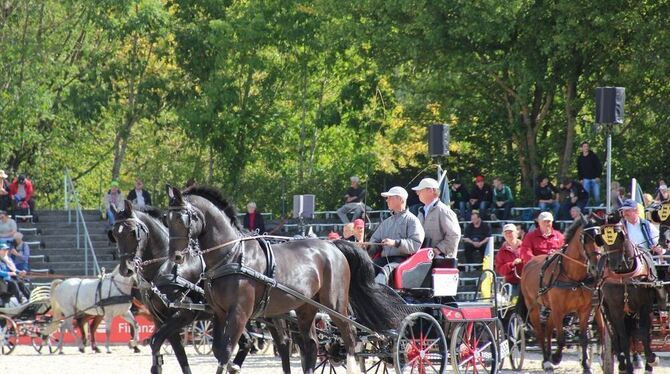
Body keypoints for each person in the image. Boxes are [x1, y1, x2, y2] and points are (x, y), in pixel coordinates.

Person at [367, 186, 424, 285]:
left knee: (383, 272)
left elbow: (415, 243)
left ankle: (377, 296)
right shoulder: (386, 222)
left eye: (390, 197)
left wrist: (395, 243)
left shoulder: (412, 220)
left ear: (401, 199)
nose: (387, 200)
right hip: (384, 259)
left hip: (402, 260)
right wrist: (367, 246)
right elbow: (375, 241)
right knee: (366, 269)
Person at [412, 177, 461, 258]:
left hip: (440, 260)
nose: (417, 193)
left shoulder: (444, 211)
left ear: (430, 191)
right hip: (424, 258)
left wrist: (438, 250)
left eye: (420, 190)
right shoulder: (421, 211)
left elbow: (454, 235)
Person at [494, 224, 523, 295]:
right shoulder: (501, 252)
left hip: (526, 281)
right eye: (506, 233)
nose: (508, 235)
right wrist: (511, 264)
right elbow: (500, 270)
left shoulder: (525, 246)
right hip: (511, 284)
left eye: (510, 232)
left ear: (516, 233)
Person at [576, 141, 602, 206]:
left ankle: (598, 210)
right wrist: (581, 179)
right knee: (585, 196)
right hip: (585, 179)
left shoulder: (593, 156)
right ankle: (586, 211)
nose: (586, 148)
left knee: (597, 195)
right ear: (582, 148)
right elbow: (579, 169)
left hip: (594, 178)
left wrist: (598, 176)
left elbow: (599, 166)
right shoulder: (580, 158)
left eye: (587, 146)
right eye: (584, 146)